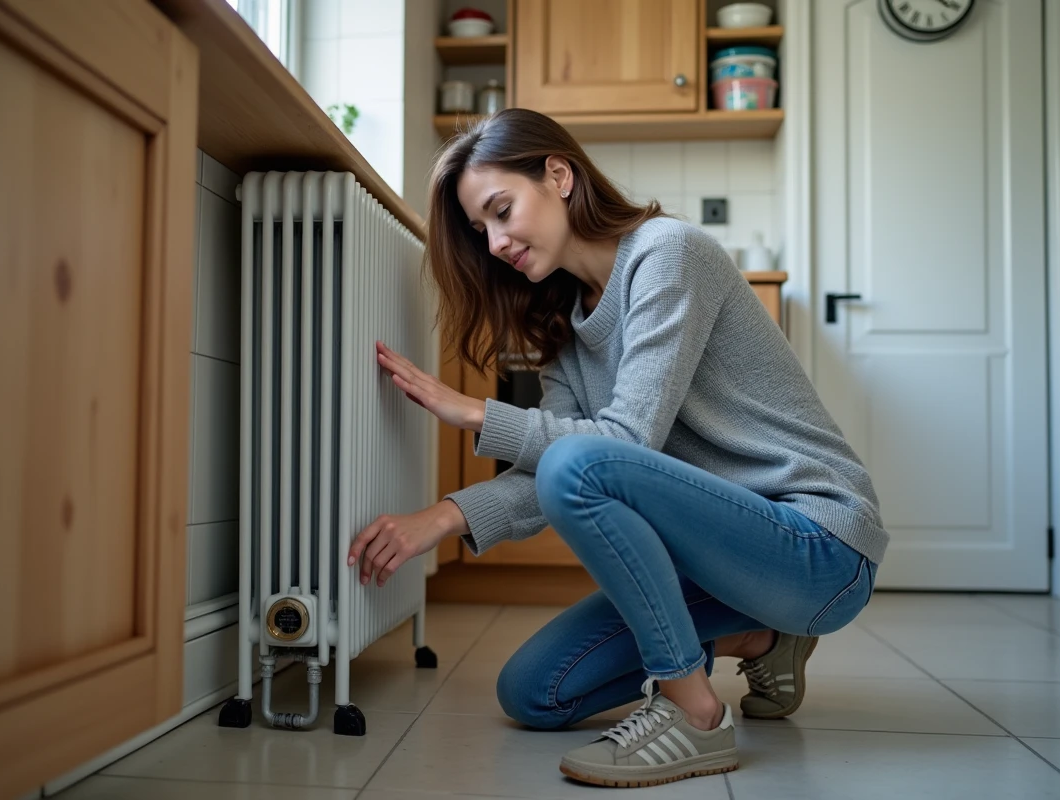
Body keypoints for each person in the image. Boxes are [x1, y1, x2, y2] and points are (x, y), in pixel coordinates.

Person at [346, 108, 886, 788]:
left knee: (578, 462)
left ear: (559, 175)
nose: (496, 242)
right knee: (533, 692)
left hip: (819, 547)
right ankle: (763, 638)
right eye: (482, 230)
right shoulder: (562, 324)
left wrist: (477, 412)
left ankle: (694, 713)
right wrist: (443, 517)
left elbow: (619, 445)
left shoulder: (668, 253)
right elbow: (560, 467)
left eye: (502, 210)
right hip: (721, 564)